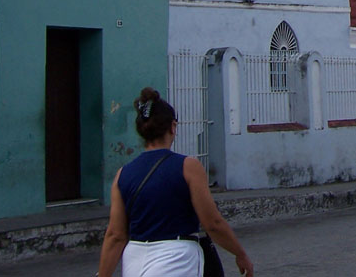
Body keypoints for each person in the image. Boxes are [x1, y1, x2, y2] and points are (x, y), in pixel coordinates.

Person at [98, 87, 253, 277]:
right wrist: (240, 254)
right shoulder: (188, 167)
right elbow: (212, 223)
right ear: (173, 126)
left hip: (135, 260)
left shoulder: (122, 174)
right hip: (177, 258)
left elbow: (115, 235)